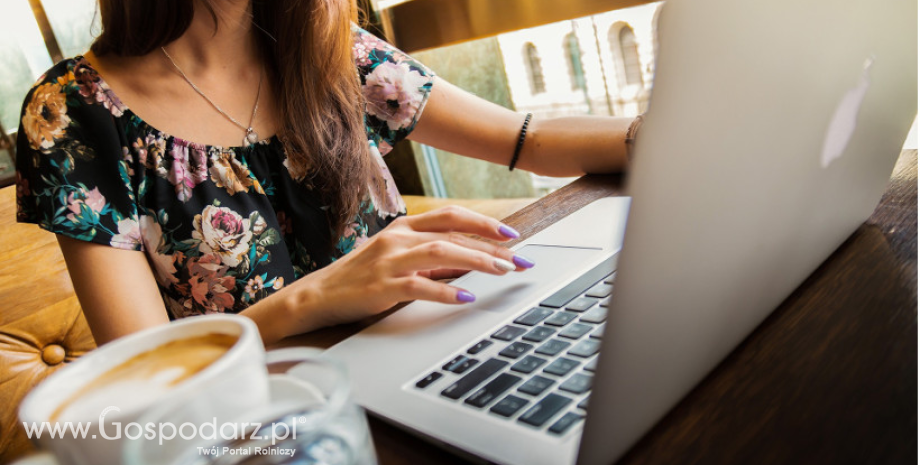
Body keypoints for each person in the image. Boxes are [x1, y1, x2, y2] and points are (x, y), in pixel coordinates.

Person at [15, 0, 634, 347]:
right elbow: (145, 368)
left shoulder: (327, 45)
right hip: (267, 426)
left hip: (426, 351)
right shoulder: (73, 112)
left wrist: (665, 133)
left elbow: (526, 139)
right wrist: (317, 297)